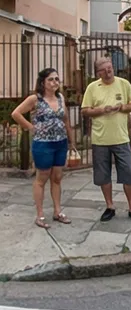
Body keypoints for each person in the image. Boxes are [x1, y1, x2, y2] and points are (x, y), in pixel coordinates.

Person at [81, 54, 131, 223]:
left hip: (121, 138)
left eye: (110, 69)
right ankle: (110, 206)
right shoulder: (93, 88)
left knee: (128, 173)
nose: (108, 72)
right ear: (98, 73)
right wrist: (102, 110)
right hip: (100, 139)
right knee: (103, 175)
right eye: (104, 70)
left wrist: (122, 107)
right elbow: (85, 110)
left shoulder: (124, 84)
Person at [11, 68, 71, 229]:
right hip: (43, 144)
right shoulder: (35, 99)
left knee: (57, 177)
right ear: (43, 82)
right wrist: (30, 127)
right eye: (51, 79)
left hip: (60, 142)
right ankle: (40, 214)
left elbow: (64, 118)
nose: (55, 82)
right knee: (42, 177)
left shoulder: (60, 98)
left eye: (57, 79)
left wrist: (71, 139)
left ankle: (58, 211)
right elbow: (16, 113)